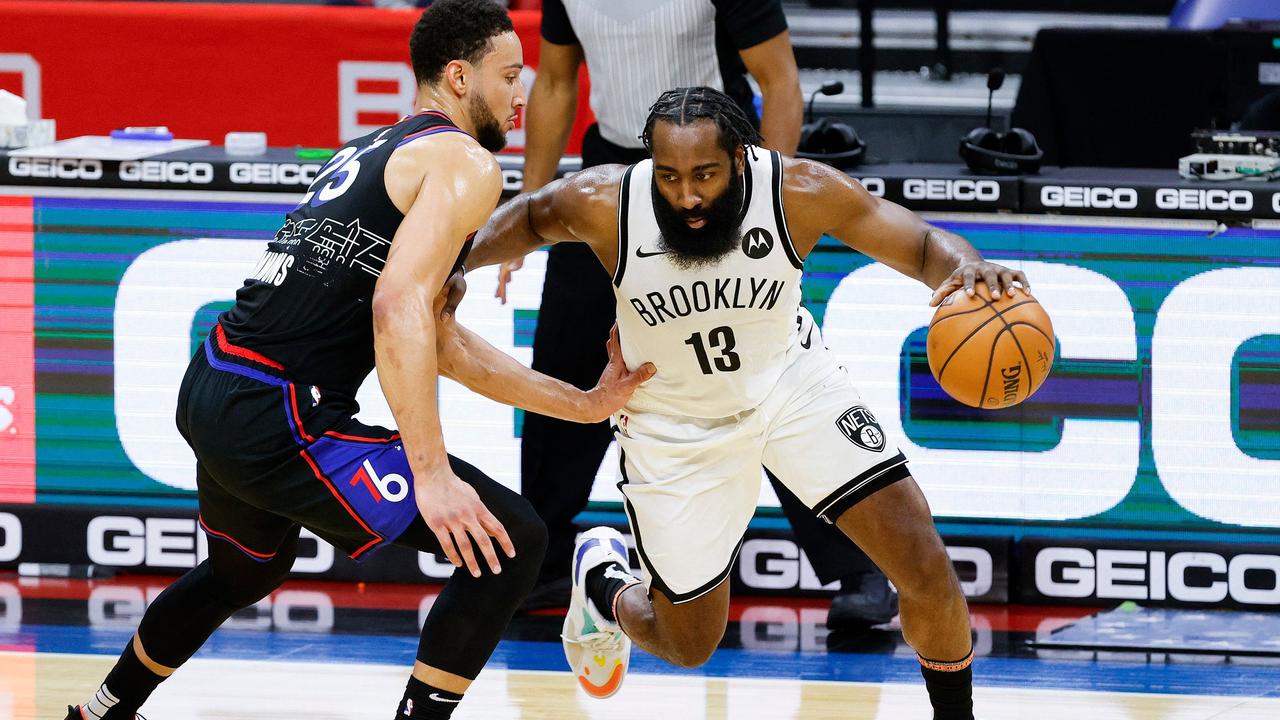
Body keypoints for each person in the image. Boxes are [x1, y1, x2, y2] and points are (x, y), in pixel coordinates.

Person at [64, 3, 653, 719]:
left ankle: (97, 711)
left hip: (216, 382)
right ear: (459, 77)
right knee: (512, 542)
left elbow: (436, 337)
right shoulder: (465, 162)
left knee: (243, 569)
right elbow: (396, 309)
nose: (521, 94)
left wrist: (583, 403)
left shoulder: (374, 148)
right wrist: (430, 475)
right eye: (507, 77)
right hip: (277, 411)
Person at [470, 86, 1031, 719]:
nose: (686, 196)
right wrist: (454, 261)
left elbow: (925, 246)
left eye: (705, 174)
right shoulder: (608, 201)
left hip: (792, 390)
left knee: (923, 563)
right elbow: (530, 215)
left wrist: (969, 266)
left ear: (740, 158)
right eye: (670, 176)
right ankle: (603, 585)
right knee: (689, 643)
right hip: (675, 423)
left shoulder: (799, 191)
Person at [503, 0, 894, 627]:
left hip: (712, 186)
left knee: (762, 379)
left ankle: (855, 567)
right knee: (566, 364)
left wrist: (766, 202)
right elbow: (553, 82)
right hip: (616, 174)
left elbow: (779, 80)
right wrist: (529, 206)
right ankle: (545, 562)